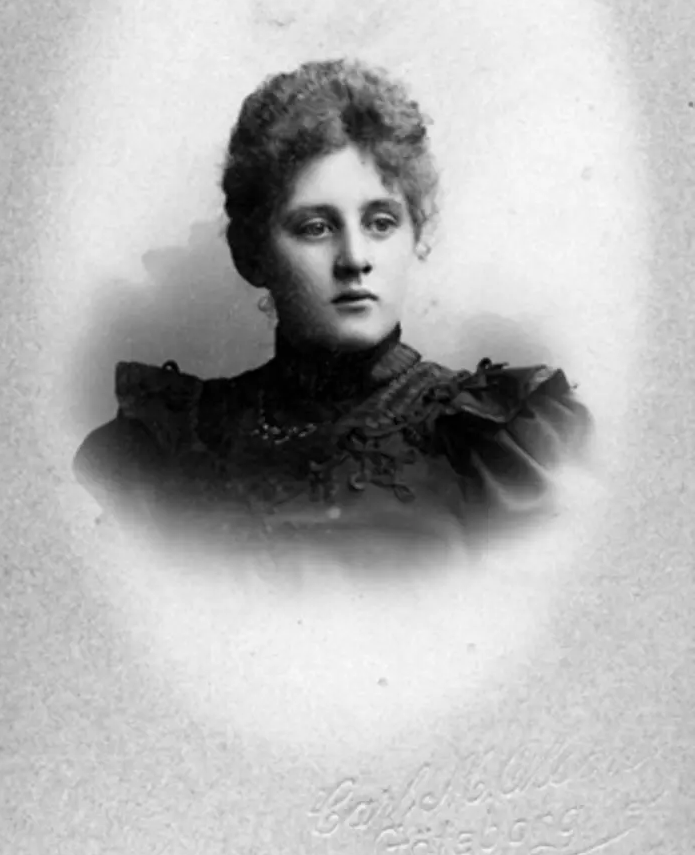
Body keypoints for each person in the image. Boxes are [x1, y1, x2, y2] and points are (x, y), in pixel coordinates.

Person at [73, 59, 593, 570]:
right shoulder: (170, 443)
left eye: (381, 222)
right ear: (251, 254)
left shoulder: (494, 440)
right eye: (316, 228)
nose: (354, 259)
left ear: (417, 236)